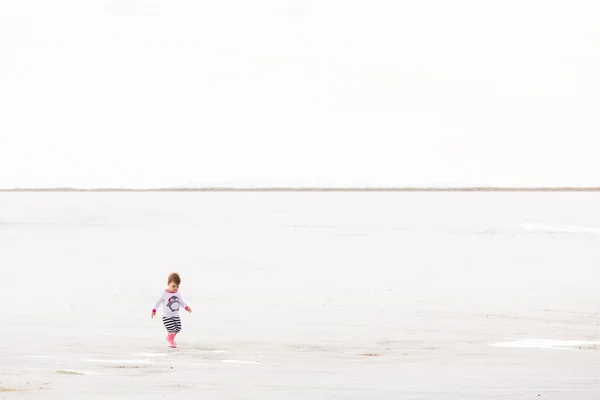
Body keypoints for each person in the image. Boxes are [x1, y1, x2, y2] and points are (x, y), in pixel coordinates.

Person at [152, 272, 192, 348]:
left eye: (177, 286)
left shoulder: (177, 293)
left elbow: (181, 302)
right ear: (168, 284)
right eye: (173, 286)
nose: (176, 288)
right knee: (172, 329)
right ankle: (171, 341)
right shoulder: (164, 293)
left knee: (178, 328)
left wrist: (186, 307)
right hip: (167, 316)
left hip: (175, 315)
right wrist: (154, 309)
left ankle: (170, 337)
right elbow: (158, 302)